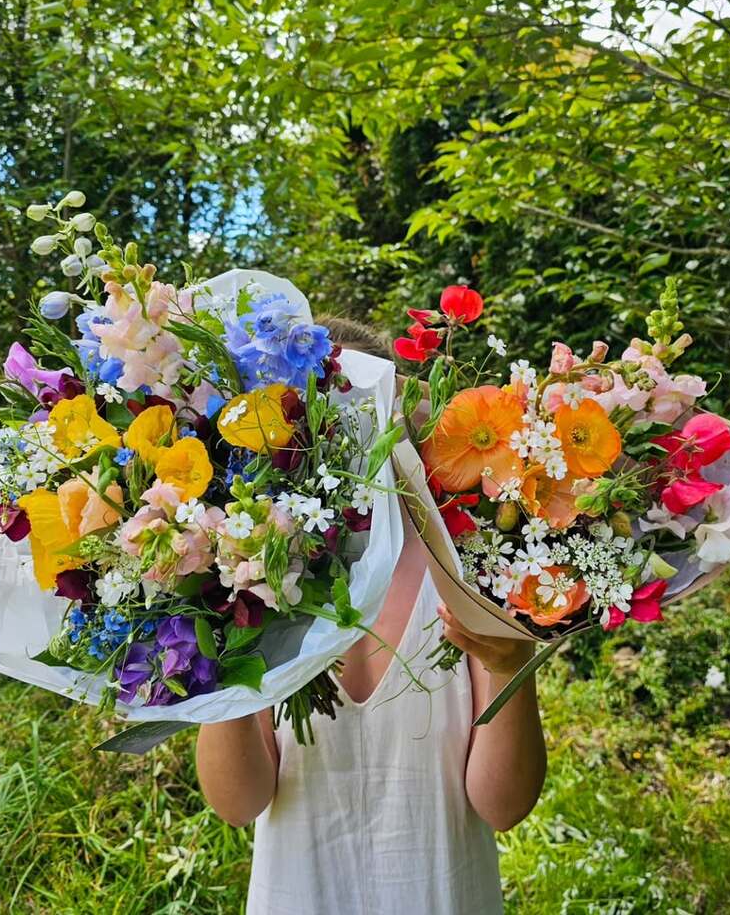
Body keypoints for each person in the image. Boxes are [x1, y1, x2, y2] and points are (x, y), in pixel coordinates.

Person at [195, 317, 547, 915]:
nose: (338, 429)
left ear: (396, 414)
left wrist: (515, 665)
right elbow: (237, 804)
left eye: (359, 400)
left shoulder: (467, 563)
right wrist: (221, 644)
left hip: (444, 894)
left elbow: (503, 806)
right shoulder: (253, 575)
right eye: (315, 406)